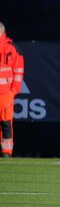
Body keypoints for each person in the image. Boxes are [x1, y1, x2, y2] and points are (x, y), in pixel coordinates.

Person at [0, 22, 24, 157]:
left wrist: (14, 90)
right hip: (6, 93)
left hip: (6, 93)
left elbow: (18, 71)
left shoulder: (13, 49)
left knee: (6, 123)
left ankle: (6, 152)